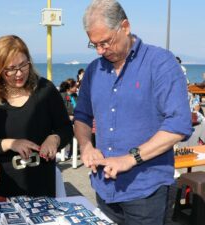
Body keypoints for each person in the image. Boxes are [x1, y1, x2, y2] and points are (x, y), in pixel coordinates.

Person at [73, 1, 192, 224]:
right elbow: (82, 116)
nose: (100, 51)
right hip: (104, 189)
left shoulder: (160, 63)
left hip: (147, 191)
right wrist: (86, 145)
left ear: (125, 27)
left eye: (105, 42)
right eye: (94, 45)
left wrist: (130, 158)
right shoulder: (93, 70)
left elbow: (179, 124)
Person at [0, 35, 73, 199]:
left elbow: (65, 128)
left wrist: (55, 138)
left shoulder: (45, 89)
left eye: (24, 65)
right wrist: (10, 143)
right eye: (10, 69)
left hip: (42, 185)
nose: (19, 73)